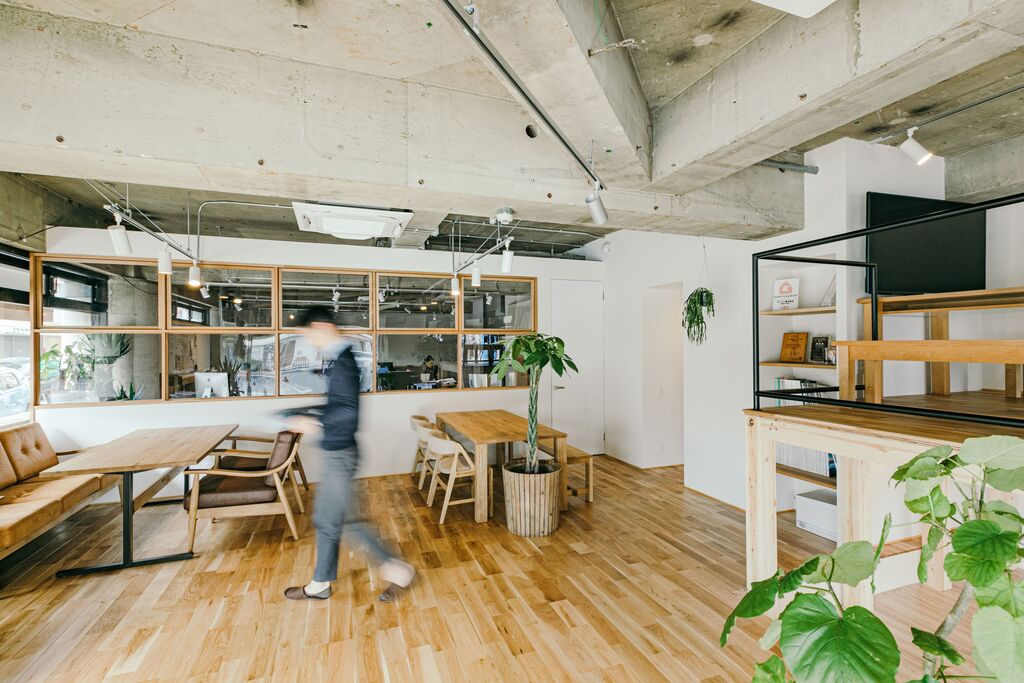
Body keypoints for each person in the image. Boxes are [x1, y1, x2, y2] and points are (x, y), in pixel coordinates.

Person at [283, 306, 415, 601]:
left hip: (340, 453)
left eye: (307, 335)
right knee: (328, 520)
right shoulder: (339, 359)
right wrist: (306, 414)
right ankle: (320, 583)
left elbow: (348, 412)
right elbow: (338, 405)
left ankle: (398, 569)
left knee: (344, 521)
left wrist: (313, 422)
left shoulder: (343, 362)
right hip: (338, 450)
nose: (308, 342)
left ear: (321, 327)